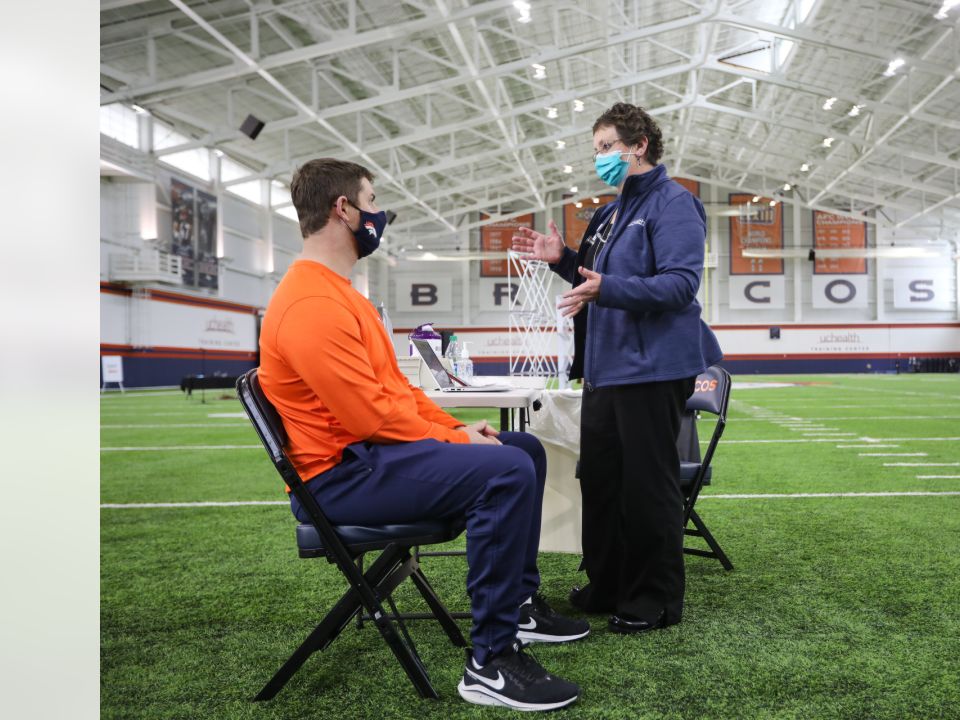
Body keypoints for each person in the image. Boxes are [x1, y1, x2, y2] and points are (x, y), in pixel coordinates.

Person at [257, 158, 587, 712]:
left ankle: (520, 606)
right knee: (504, 469)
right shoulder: (312, 302)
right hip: (339, 477)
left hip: (368, 457)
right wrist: (460, 444)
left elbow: (396, 396)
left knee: (522, 448)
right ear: (343, 209)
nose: (378, 212)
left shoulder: (342, 295)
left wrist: (456, 427)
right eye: (372, 199)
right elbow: (370, 418)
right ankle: (491, 660)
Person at [512, 103, 723, 635]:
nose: (599, 156)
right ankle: (607, 584)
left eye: (606, 146)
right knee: (599, 480)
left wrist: (609, 287)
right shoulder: (610, 213)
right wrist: (561, 258)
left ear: (639, 146)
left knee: (647, 486)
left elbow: (680, 284)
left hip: (653, 368)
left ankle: (654, 600)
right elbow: (591, 278)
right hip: (607, 370)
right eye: (597, 147)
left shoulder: (675, 204)